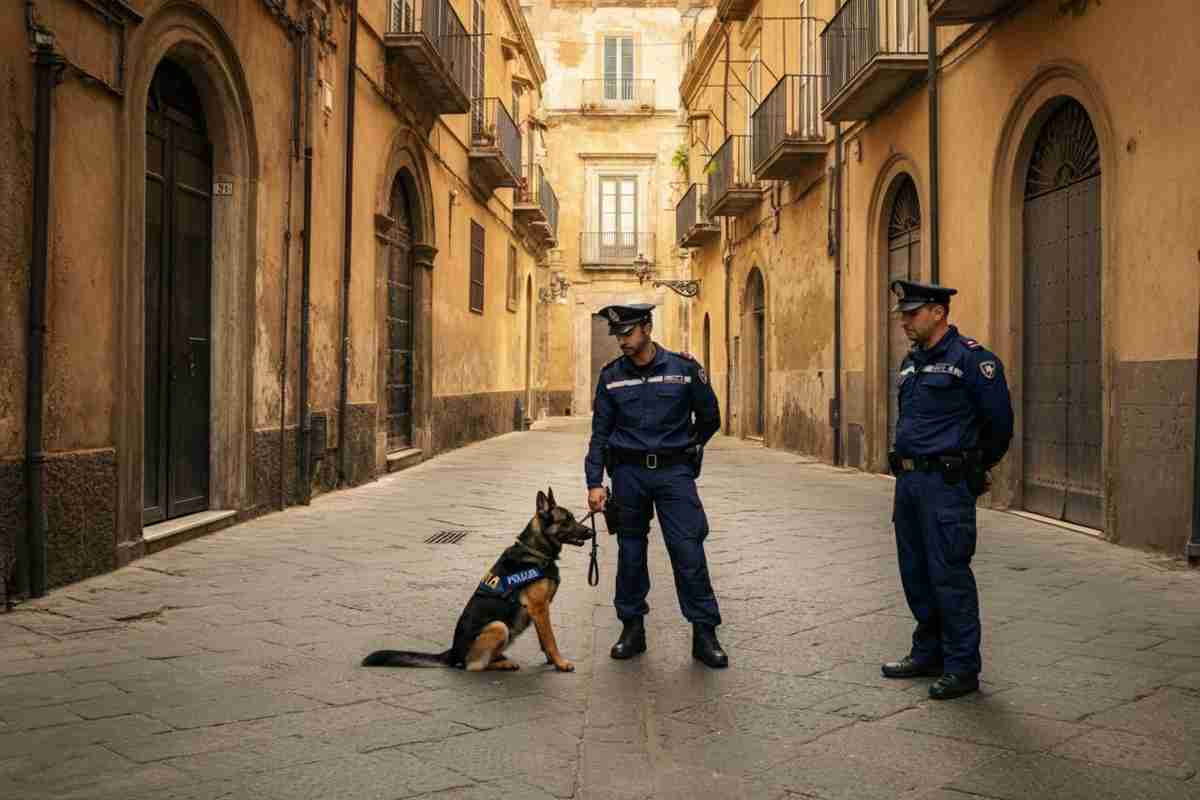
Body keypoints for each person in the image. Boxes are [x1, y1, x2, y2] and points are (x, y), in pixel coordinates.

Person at [881, 280, 1014, 699]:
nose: (904, 320)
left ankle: (961, 666)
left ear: (938, 312)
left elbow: (999, 426)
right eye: (902, 313)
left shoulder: (974, 361)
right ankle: (928, 651)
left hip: (946, 484)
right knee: (915, 572)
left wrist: (973, 469)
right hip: (909, 483)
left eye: (912, 313)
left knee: (949, 573)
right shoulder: (912, 363)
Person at [584, 303, 727, 668]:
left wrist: (689, 447)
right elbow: (599, 433)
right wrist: (595, 482)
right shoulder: (611, 375)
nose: (622, 342)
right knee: (630, 555)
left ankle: (704, 633)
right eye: (617, 335)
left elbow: (710, 417)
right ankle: (632, 629)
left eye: (627, 333)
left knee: (688, 551)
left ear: (647, 327)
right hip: (628, 475)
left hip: (673, 473)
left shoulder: (683, 369)